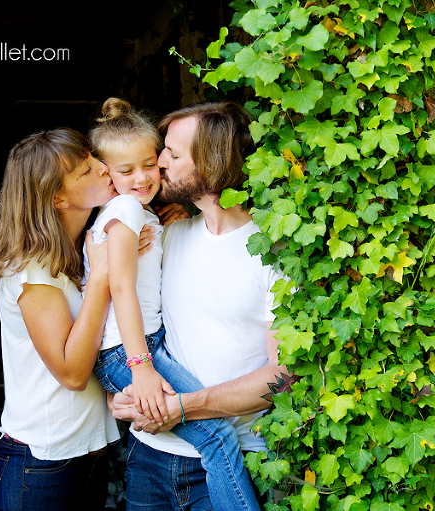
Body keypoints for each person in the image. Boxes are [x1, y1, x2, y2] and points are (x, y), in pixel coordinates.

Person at [109, 101, 294, 510]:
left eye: (173, 154)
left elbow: (282, 376)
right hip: (150, 454)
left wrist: (183, 407)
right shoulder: (167, 237)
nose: (158, 163)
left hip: (237, 462)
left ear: (211, 164)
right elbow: (138, 333)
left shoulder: (275, 253)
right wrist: (121, 396)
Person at [0, 128, 126, 510]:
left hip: (85, 455)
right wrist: (101, 276)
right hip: (41, 465)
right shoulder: (33, 269)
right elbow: (72, 373)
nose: (103, 168)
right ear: (57, 198)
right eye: (85, 171)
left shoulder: (82, 248)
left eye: (95, 159)